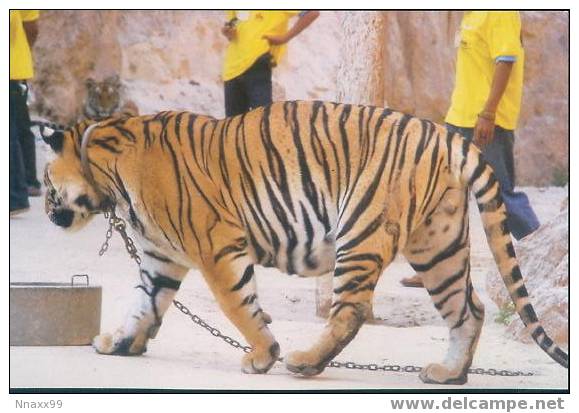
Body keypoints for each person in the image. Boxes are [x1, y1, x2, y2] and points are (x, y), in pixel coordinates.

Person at [401, 11, 540, 288]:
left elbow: (506, 61)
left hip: (487, 123)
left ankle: (546, 257)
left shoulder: (499, 13)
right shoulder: (470, 14)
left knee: (500, 197)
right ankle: (437, 268)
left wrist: (488, 114)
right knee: (444, 196)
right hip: (459, 118)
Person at [221, 10, 319, 117]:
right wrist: (228, 32)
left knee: (261, 122)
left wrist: (285, 38)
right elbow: (234, 27)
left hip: (258, 63)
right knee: (233, 129)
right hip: (231, 69)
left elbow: (312, 12)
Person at [10, 10, 40, 216]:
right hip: (18, 66)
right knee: (20, 126)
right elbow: (32, 28)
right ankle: (29, 181)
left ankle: (14, 197)